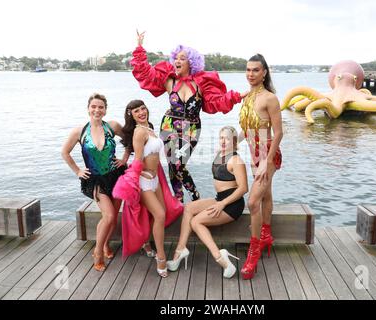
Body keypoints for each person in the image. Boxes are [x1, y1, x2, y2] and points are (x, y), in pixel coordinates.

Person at [130, 31, 248, 203]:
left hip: (191, 128)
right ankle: (178, 199)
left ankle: (194, 195)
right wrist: (140, 48)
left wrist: (238, 96)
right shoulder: (169, 81)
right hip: (169, 125)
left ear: (191, 62)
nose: (177, 61)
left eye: (182, 58)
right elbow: (146, 73)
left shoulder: (201, 84)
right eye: (176, 58)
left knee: (178, 163)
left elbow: (218, 101)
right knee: (172, 164)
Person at [113, 100, 183, 278]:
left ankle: (146, 242)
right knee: (159, 214)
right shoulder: (138, 132)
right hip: (145, 182)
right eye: (136, 111)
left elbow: (152, 155)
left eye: (143, 108)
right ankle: (161, 257)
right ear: (131, 115)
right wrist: (139, 175)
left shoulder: (150, 128)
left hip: (155, 179)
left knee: (162, 212)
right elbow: (137, 159)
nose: (141, 112)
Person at [166, 126, 248, 278]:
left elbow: (243, 188)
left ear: (234, 141)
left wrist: (222, 204)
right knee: (189, 208)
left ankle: (222, 260)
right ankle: (181, 249)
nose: (223, 141)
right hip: (220, 198)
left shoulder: (237, 161)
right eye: (221, 137)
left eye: (227, 138)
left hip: (232, 204)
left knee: (196, 222)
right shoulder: (220, 154)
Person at [61, 93, 127, 272]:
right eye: (94, 107)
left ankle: (105, 245)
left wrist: (124, 158)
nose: (97, 110)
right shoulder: (79, 131)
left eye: (101, 107)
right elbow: (65, 152)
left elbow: (128, 140)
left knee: (112, 217)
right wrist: (78, 171)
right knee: (110, 216)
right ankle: (97, 252)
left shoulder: (112, 126)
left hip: (116, 176)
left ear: (105, 110)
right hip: (96, 180)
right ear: (88, 108)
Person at [238, 54, 283, 280]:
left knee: (253, 201)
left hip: (269, 156)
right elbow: (247, 129)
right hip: (255, 155)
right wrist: (231, 144)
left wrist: (266, 161)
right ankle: (266, 234)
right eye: (248, 70)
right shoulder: (247, 97)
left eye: (255, 70)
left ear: (264, 72)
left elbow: (278, 133)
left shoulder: (270, 98)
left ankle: (253, 251)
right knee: (266, 196)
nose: (250, 74)